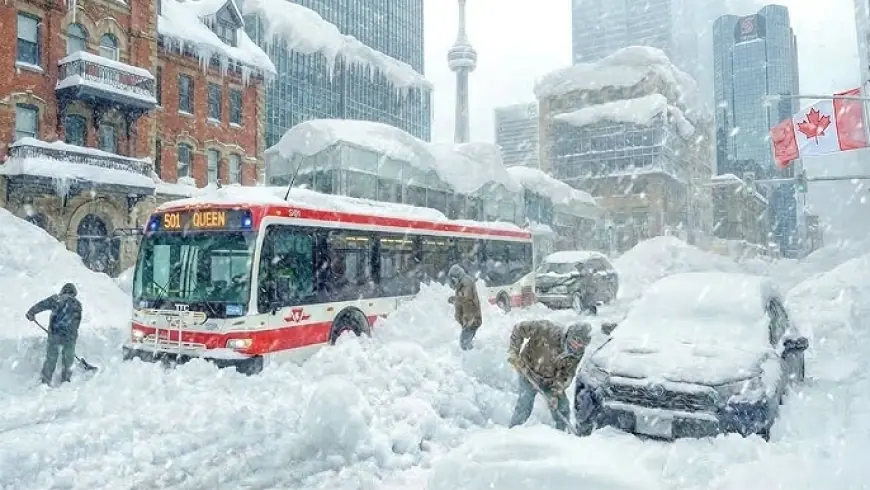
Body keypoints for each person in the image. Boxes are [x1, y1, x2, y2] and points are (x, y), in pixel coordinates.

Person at [507, 320, 591, 432]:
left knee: (562, 407)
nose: (577, 345)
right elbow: (519, 329)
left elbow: (567, 374)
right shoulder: (547, 330)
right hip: (528, 372)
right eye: (575, 340)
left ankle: (563, 435)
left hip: (550, 381)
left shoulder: (577, 353)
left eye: (582, 344)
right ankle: (513, 432)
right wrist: (513, 352)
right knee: (525, 403)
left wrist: (556, 393)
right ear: (569, 335)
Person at [26, 283, 83, 385]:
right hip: (70, 338)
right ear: (74, 293)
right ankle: (66, 381)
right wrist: (71, 336)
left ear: (62, 291)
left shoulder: (56, 299)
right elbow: (77, 322)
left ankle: (45, 381)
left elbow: (41, 305)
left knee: (51, 359)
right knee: (68, 360)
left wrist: (31, 312)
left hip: (55, 335)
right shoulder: (77, 304)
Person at [447, 264, 482, 350]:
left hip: (472, 319)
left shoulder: (466, 283)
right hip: (468, 320)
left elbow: (467, 299)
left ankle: (475, 359)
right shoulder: (461, 285)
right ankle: (476, 357)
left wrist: (455, 299)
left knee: (464, 344)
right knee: (465, 344)